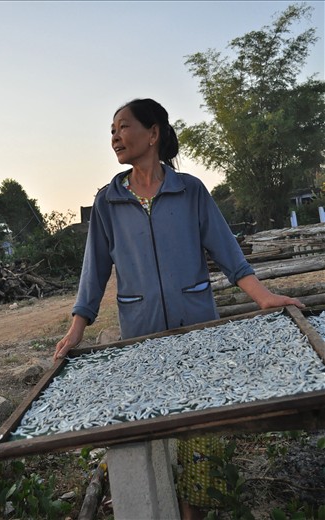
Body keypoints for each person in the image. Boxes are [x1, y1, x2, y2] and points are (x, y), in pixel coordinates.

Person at [54, 98, 304, 519]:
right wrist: (78, 326)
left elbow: (228, 253)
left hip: (198, 329)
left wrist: (263, 296)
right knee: (152, 427)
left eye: (123, 126)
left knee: (202, 431)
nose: (114, 136)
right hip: (143, 334)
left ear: (152, 133)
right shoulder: (108, 201)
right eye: (111, 130)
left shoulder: (190, 191)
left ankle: (193, 512)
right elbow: (94, 270)